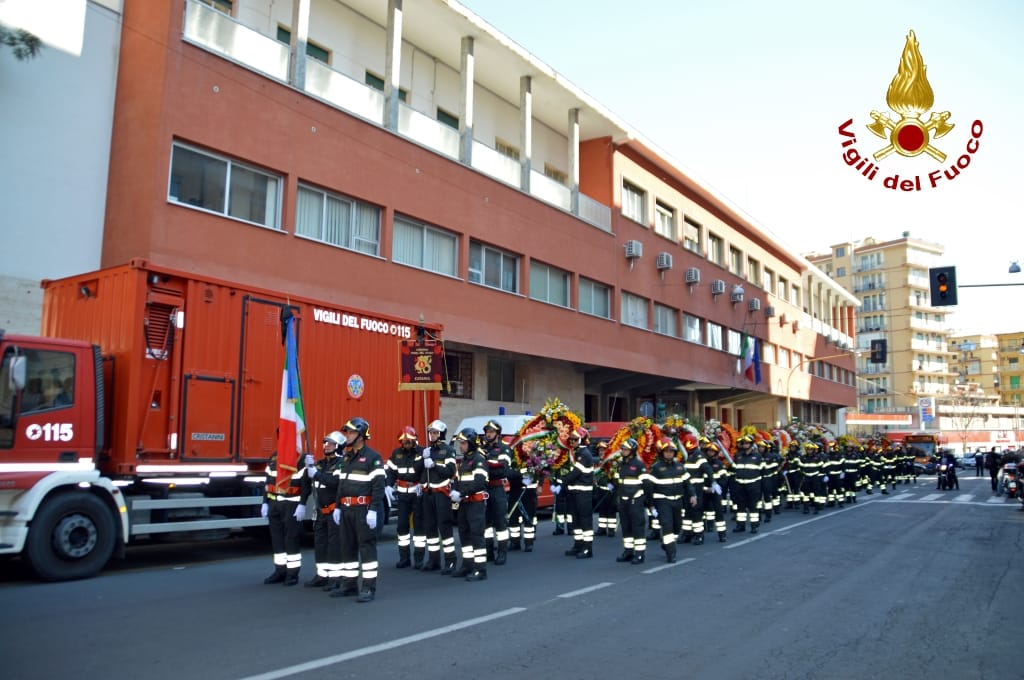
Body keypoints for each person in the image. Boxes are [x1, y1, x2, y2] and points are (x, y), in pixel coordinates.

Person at [330, 417, 386, 602]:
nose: (347, 435)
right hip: (346, 509)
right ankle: (350, 584)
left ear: (361, 435)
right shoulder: (346, 457)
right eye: (347, 432)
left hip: (363, 510)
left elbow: (378, 486)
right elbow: (341, 484)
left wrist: (374, 510)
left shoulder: (373, 457)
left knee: (366, 548)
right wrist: (338, 507)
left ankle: (368, 588)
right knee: (347, 547)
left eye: (351, 432)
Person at [300, 431, 343, 589]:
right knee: (320, 544)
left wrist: (317, 474)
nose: (326, 446)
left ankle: (335, 578)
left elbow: (335, 482)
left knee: (334, 546)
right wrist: (307, 467)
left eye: (330, 443)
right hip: (320, 512)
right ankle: (322, 575)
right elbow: (306, 483)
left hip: (334, 511)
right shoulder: (319, 464)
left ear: (338, 446)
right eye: (325, 443)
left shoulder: (342, 464)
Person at [261, 448, 307, 586]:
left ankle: (292, 574)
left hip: (291, 504)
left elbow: (305, 485)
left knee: (291, 539)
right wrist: (265, 502)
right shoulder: (274, 457)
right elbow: (268, 481)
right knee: (277, 539)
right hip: (274, 503)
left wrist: (302, 504)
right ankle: (280, 571)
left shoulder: (301, 459)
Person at [451, 427, 489, 581]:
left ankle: (480, 569)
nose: (461, 446)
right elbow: (458, 480)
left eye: (463, 443)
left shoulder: (479, 460)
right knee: (464, 535)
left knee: (476, 536)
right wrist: (454, 491)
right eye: (460, 443)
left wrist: (461, 493)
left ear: (472, 443)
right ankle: (467, 565)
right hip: (464, 504)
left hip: (475, 504)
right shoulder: (465, 460)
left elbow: (480, 482)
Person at [649, 437, 696, 562]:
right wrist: (651, 505)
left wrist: (693, 495)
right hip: (663, 501)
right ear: (662, 453)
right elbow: (649, 488)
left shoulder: (680, 467)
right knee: (667, 525)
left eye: (671, 451)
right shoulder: (656, 468)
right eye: (666, 451)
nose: (669, 453)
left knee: (677, 527)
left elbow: (688, 483)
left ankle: (667, 543)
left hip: (678, 501)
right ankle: (671, 553)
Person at [420, 420, 458, 573]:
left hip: (441, 494)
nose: (432, 435)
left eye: (435, 432)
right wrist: (423, 459)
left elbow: (450, 471)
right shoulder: (427, 450)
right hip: (427, 493)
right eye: (431, 432)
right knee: (430, 528)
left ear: (441, 434)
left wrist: (434, 464)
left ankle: (450, 561)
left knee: (444, 527)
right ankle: (433, 560)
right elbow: (422, 472)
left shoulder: (448, 450)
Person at [386, 426, 425, 569]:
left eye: (408, 441)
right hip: (402, 495)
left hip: (417, 494)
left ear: (414, 440)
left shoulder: (422, 453)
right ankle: (404, 558)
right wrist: (388, 485)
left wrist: (422, 483)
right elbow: (391, 471)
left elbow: (426, 471)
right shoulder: (396, 453)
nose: (406, 443)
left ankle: (419, 559)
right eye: (403, 441)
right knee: (402, 526)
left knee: (419, 527)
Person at [479, 420, 512, 565]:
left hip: (497, 489)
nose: (488, 434)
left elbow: (503, 470)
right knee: (486, 523)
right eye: (487, 431)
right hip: (484, 489)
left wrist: (486, 465)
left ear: (497, 434)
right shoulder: (482, 448)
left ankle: (502, 553)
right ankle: (489, 552)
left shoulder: (504, 449)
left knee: (500, 523)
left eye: (491, 431)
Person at [614, 438, 650, 564]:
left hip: (635, 500)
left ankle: (640, 554)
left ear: (633, 451)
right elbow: (617, 481)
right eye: (623, 449)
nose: (623, 451)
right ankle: (628, 551)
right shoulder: (620, 465)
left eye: (626, 449)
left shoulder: (639, 465)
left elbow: (646, 484)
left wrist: (648, 502)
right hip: (623, 500)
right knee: (626, 527)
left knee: (637, 527)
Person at [563, 426, 595, 559]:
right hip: (574, 492)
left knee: (585, 521)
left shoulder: (584, 454)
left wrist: (562, 482)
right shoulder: (575, 453)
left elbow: (576, 472)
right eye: (571, 439)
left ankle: (587, 548)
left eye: (575, 439)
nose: (572, 441)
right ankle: (578, 545)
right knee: (575, 521)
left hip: (583, 493)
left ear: (582, 440)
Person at [731, 435, 764, 533]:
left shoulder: (757, 456)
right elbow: (735, 469)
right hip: (740, 485)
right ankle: (740, 525)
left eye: (747, 443)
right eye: (743, 443)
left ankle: (754, 526)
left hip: (753, 485)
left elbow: (763, 471)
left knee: (753, 506)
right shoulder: (738, 456)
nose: (745, 445)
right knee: (740, 506)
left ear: (751, 444)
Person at [592, 441, 619, 538]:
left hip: (610, 490)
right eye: (599, 450)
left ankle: (611, 530)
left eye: (603, 450)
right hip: (600, 489)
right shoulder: (598, 462)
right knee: (602, 510)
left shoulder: (611, 461)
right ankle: (602, 529)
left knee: (611, 510)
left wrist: (613, 484)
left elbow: (616, 474)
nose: (601, 452)